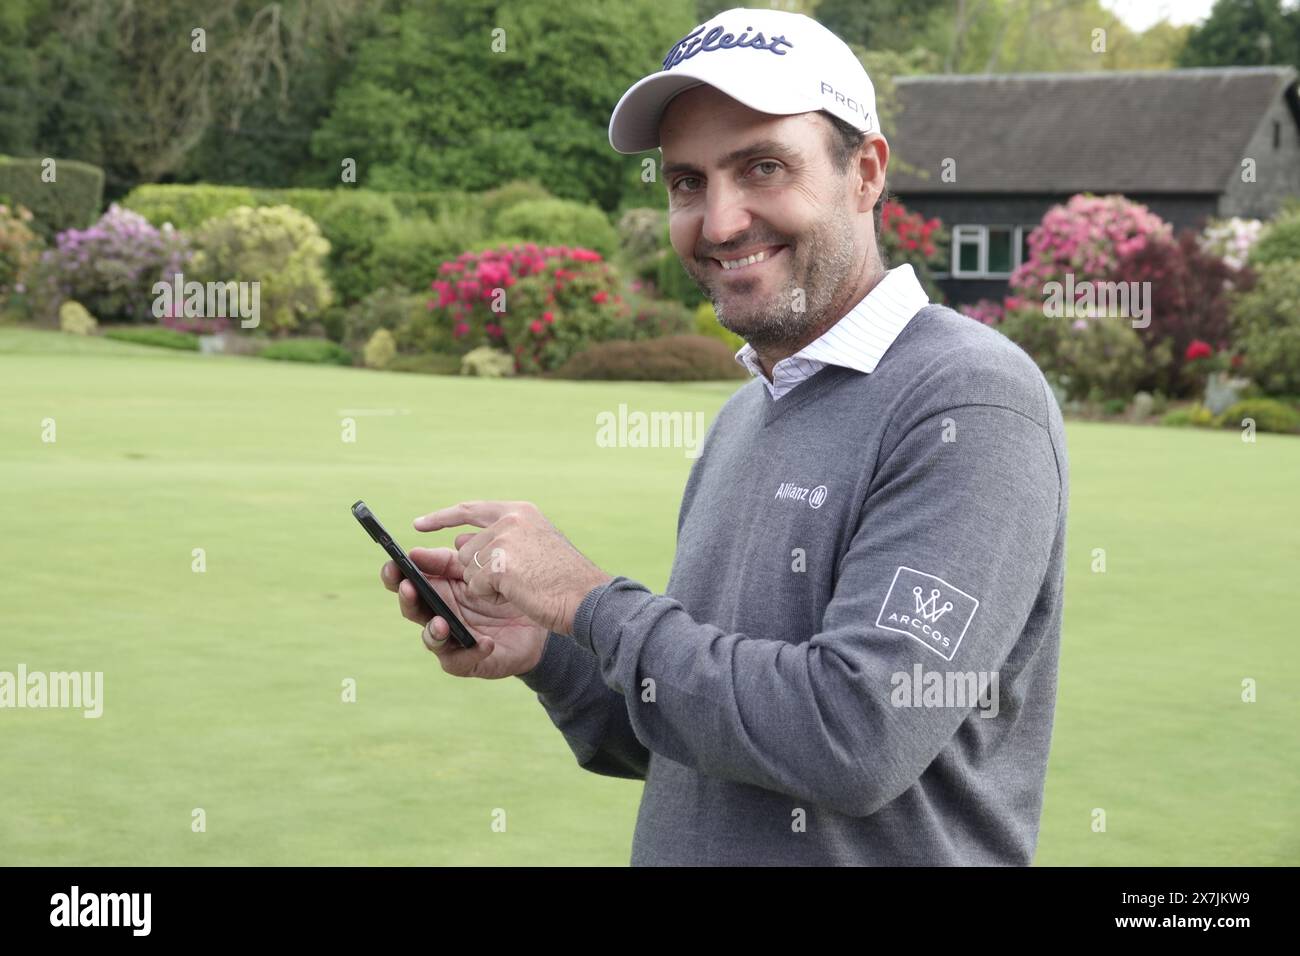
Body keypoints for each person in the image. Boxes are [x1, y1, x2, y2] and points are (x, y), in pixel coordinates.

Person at [380, 6, 1069, 866]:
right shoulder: (750, 412)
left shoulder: (969, 400)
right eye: (687, 183)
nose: (719, 221)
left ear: (866, 173)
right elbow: (700, 745)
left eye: (764, 167)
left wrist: (589, 602)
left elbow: (855, 736)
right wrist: (549, 652)